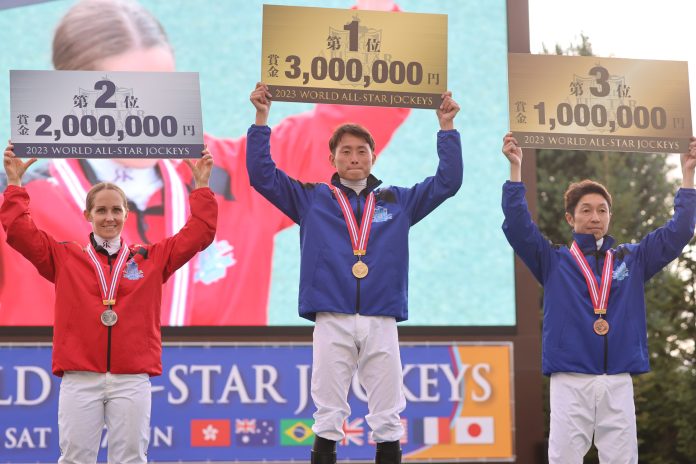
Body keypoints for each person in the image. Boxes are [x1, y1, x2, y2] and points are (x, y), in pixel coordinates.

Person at [0, 0, 409, 326]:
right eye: (124, 95)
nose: (146, 113)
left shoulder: (238, 175)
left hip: (214, 424)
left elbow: (357, 115)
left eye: (162, 87)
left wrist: (375, 12)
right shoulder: (17, 201)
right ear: (73, 97)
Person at [247, 82, 462, 464]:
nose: (354, 156)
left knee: (387, 417)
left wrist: (446, 128)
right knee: (328, 415)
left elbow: (448, 182)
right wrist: (262, 119)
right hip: (332, 317)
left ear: (373, 156)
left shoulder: (398, 201)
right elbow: (263, 176)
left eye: (361, 150)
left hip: (381, 318)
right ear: (332, 159)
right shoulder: (312, 199)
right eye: (345, 151)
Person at [1, 140, 217, 463]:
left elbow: (200, 231)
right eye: (101, 210)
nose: (109, 217)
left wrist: (201, 186)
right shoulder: (65, 258)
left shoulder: (150, 260)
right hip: (80, 377)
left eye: (116, 209)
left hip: (131, 378)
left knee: (130, 458)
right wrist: (15, 184)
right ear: (87, 214)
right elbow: (19, 231)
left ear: (127, 214)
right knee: (75, 459)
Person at [500, 132, 696, 463]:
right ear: (570, 218)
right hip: (570, 379)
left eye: (602, 210)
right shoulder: (554, 261)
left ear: (609, 217)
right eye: (586, 210)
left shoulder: (632, 259)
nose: (594, 217)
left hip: (617, 378)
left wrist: (688, 176)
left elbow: (679, 231)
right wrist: (515, 169)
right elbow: (518, 227)